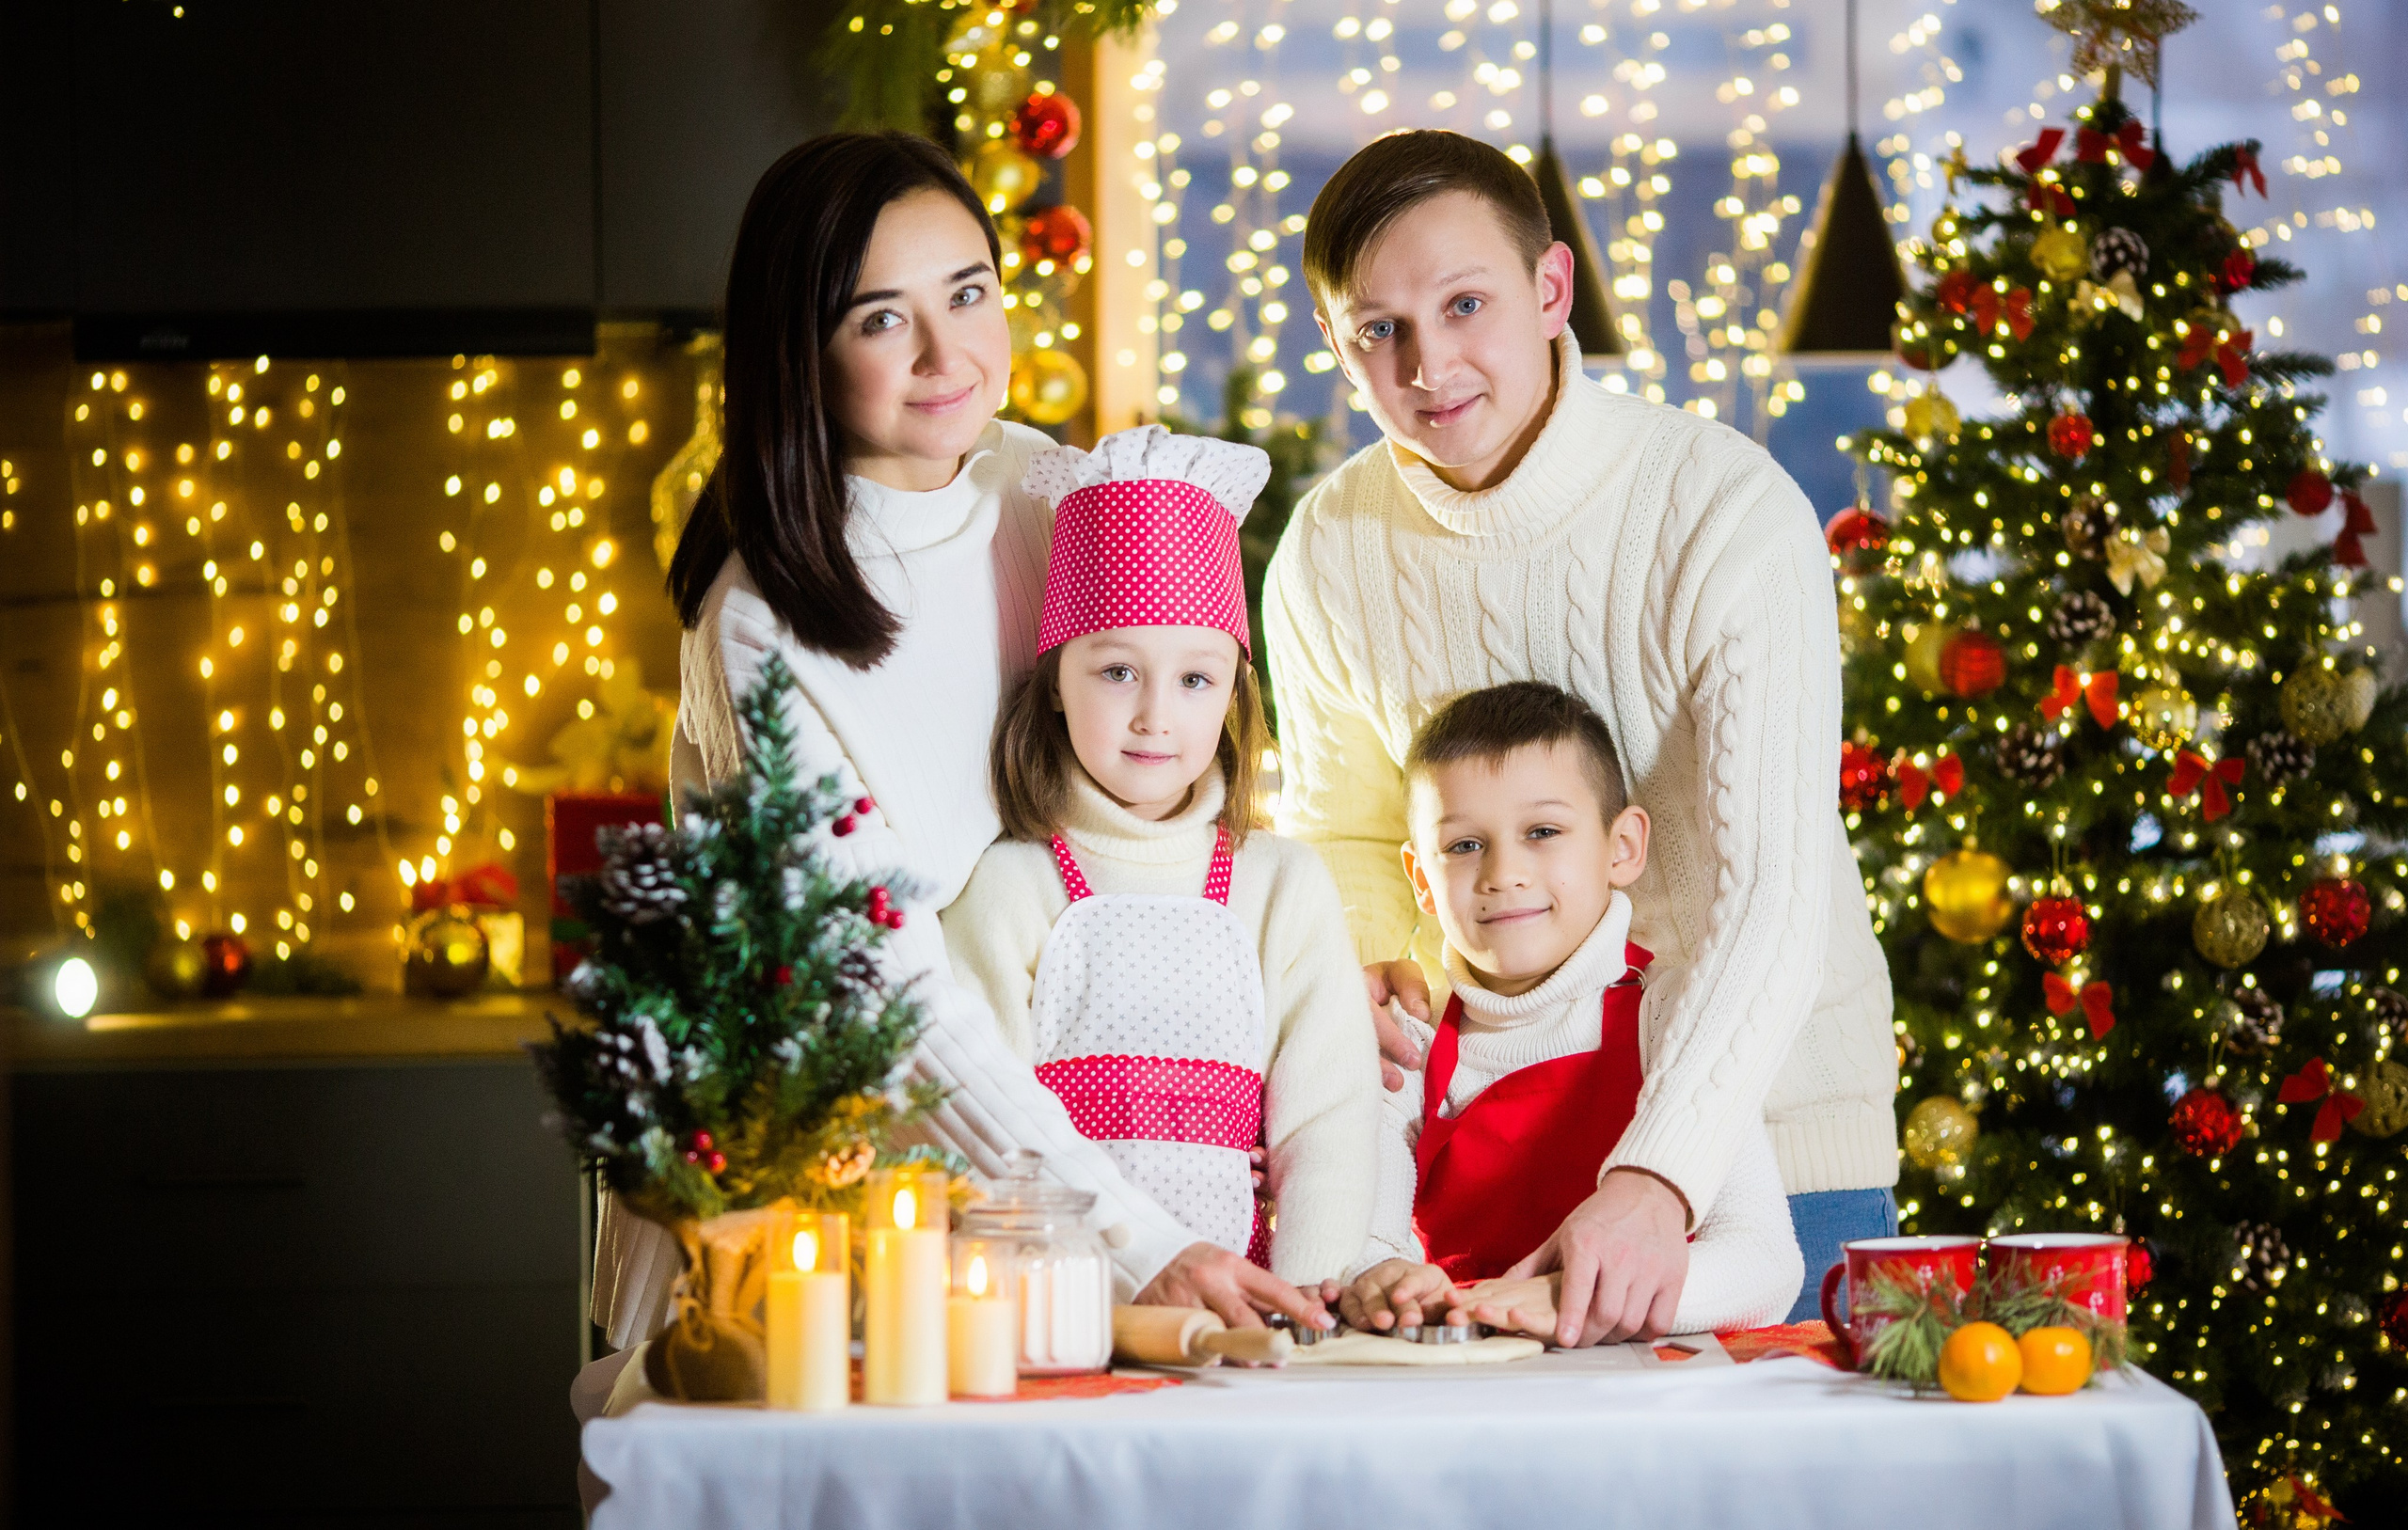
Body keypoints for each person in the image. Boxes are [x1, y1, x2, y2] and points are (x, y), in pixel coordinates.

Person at [590, 131, 1327, 1364]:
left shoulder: (1043, 487)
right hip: (815, 1201)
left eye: (969, 292)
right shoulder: (764, 621)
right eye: (883, 318)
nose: (949, 354)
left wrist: (1266, 1017)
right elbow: (877, 989)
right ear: (801, 349)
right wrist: (1133, 1225)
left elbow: (1163, 779)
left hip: (1034, 1180)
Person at [1263, 128, 1897, 1344]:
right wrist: (1374, 964)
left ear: (1551, 289)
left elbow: (1769, 890)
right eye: (1377, 331)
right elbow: (1343, 826)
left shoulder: (1725, 509)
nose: (1429, 363)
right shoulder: (1326, 552)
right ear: (1342, 351)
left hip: (1773, 1130)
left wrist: (1658, 1172)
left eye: (1464, 305)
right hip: (1490, 1132)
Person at [942, 426, 1378, 1289]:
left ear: (1233, 691)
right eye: (1115, 672)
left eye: (1195, 679)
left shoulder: (1280, 886)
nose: (1155, 716)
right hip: (1058, 1306)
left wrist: (1308, 1300)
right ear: (1056, 684)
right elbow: (984, 1127)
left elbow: (1327, 1118)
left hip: (1248, 1316)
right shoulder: (1007, 885)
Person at [1335, 683, 1800, 1341]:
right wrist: (1381, 1275)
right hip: (1465, 1399)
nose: (1504, 872)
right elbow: (1365, 1230)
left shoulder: (1672, 1014)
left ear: (1622, 847)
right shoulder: (1407, 1037)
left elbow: (1765, 1262)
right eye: (1465, 845)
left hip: (1650, 1407)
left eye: (1543, 832)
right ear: (1421, 880)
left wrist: (1569, 1299)